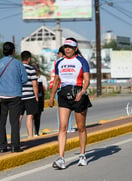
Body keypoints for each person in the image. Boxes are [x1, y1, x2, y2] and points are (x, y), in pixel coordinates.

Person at [49, 38, 92, 169]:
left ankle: (83, 155)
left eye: (70, 47)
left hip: (78, 94)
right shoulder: (59, 62)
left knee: (81, 128)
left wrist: (82, 92)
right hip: (64, 95)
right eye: (65, 47)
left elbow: (87, 80)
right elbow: (56, 81)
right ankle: (61, 158)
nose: (67, 49)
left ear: (75, 49)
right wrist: (51, 97)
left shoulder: (81, 61)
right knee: (62, 128)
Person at [0, 41, 28, 153]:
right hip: (15, 95)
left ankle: (2, 146)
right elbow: (24, 79)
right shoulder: (18, 63)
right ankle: (15, 146)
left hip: (0, 96)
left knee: (1, 122)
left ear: (3, 51)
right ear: (13, 51)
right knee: (14, 121)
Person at [49, 46, 75, 133]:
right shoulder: (73, 61)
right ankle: (69, 127)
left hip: (59, 87)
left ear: (61, 53)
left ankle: (62, 127)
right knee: (69, 108)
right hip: (69, 87)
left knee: (61, 109)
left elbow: (55, 78)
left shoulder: (58, 62)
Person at [19, 51, 39, 139]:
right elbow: (34, 84)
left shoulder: (17, 69)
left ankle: (16, 136)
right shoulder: (31, 69)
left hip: (19, 96)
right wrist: (36, 96)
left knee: (19, 117)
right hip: (30, 96)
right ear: (29, 59)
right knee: (29, 116)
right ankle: (30, 136)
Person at [31, 63, 46, 136]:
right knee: (31, 116)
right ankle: (31, 133)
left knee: (38, 116)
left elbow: (45, 88)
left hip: (40, 98)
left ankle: (36, 132)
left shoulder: (42, 78)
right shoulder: (29, 77)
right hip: (31, 98)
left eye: (35, 69)